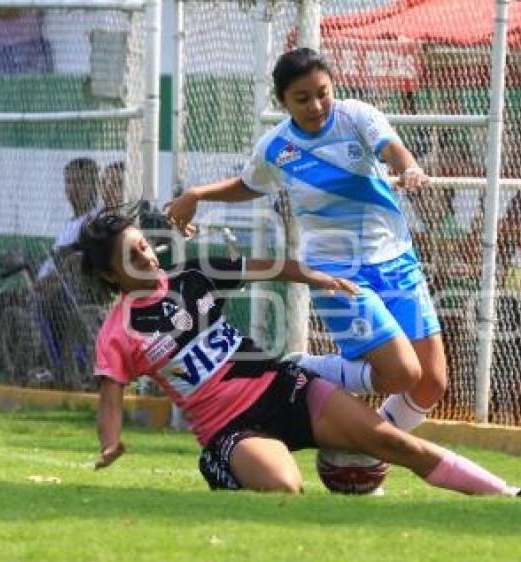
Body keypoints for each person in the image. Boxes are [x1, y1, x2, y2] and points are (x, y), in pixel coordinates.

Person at [80, 205, 521, 500]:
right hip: (231, 426)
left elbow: (266, 267)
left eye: (144, 245)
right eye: (131, 255)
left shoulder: (193, 274)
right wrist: (110, 442)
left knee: (398, 445)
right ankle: (221, 463)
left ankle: (509, 493)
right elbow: (110, 396)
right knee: (285, 488)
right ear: (109, 275)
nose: (145, 256)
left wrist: (313, 275)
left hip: (282, 388)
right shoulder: (118, 332)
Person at [165, 48, 447, 439]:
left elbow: (390, 148)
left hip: (397, 261)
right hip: (335, 274)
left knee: (431, 382)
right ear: (282, 102)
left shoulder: (355, 116)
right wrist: (197, 193)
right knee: (401, 374)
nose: (316, 105)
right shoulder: (276, 147)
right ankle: (307, 370)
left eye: (323, 92)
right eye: (302, 98)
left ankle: (366, 454)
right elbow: (250, 185)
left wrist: (410, 167)